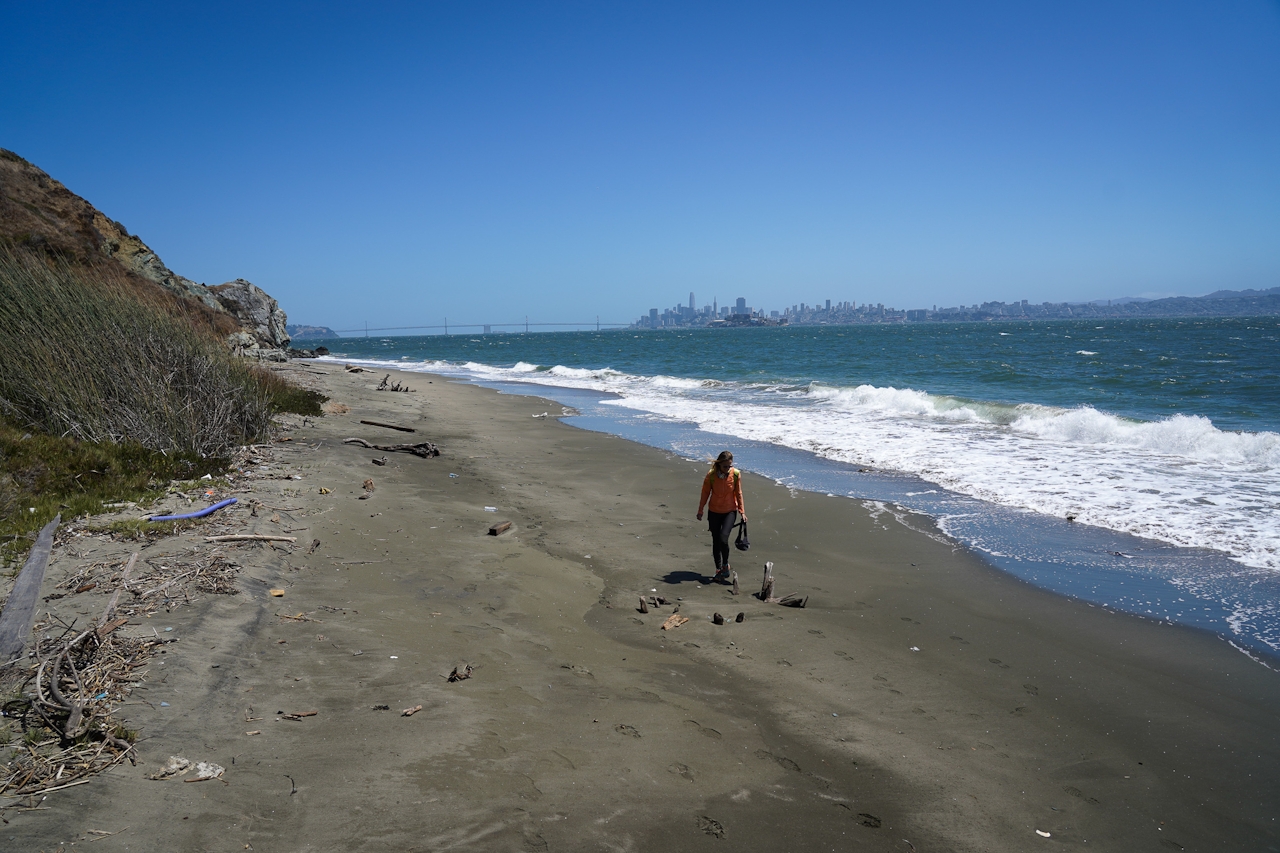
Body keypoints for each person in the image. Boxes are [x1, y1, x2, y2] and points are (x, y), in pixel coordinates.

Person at [696, 451, 746, 583]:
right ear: (719, 465)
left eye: (729, 466)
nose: (727, 469)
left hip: (730, 511)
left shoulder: (735, 474)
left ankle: (725, 565)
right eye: (725, 466)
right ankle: (718, 569)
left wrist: (742, 511)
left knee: (724, 537)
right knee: (716, 540)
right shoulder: (711, 475)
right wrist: (700, 510)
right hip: (714, 511)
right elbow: (705, 493)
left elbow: (738, 493)